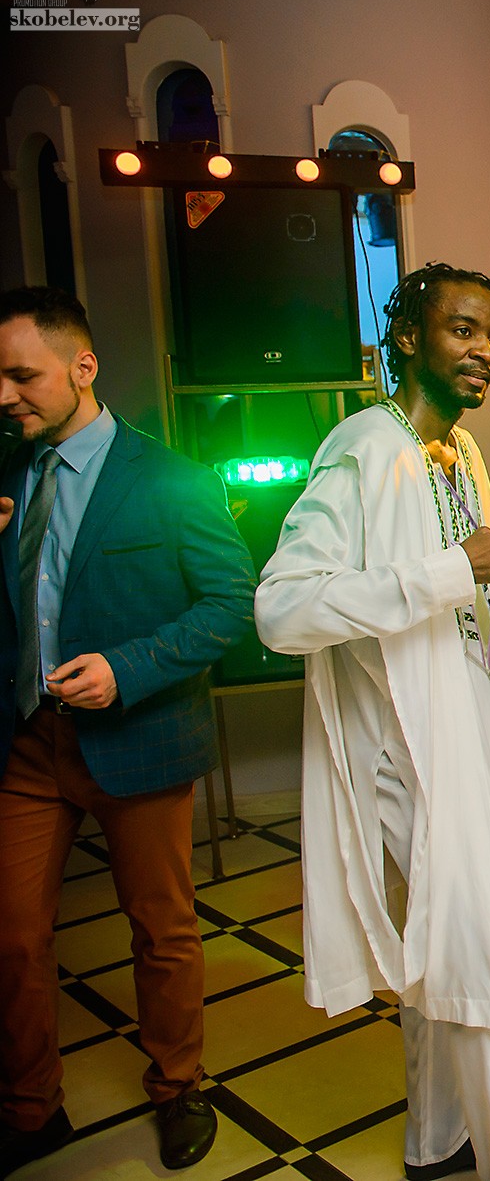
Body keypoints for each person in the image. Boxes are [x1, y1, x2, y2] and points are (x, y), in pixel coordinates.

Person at [255, 264, 490, 1181]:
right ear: (406, 339)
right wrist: (449, 570)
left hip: (475, 747)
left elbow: (477, 618)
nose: (485, 352)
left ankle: (434, 1144)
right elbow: (280, 610)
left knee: (450, 947)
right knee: (476, 954)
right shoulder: (361, 447)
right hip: (410, 755)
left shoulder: (461, 451)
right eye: (463, 330)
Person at [0, 287, 253, 1178]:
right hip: (29, 744)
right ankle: (31, 1109)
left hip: (138, 737)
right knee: (14, 937)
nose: (4, 397)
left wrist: (127, 668)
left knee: (162, 930)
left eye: (22, 376)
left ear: (83, 366)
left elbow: (231, 605)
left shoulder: (171, 477)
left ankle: (178, 1087)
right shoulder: (9, 470)